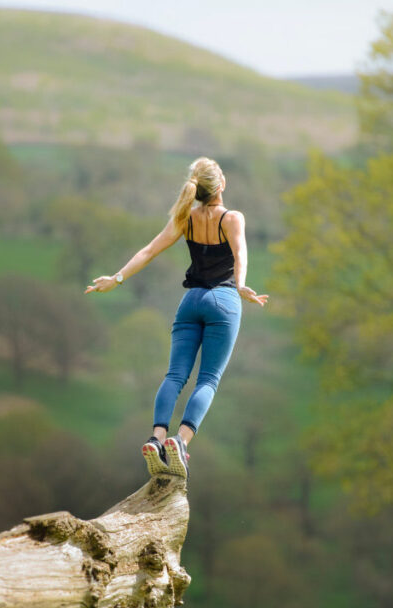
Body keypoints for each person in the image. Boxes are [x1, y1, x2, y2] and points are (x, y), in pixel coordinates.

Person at [85, 157, 268, 479]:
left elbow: (148, 251)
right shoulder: (232, 218)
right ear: (221, 185)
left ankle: (156, 439)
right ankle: (180, 443)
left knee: (174, 376)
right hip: (222, 301)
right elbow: (240, 253)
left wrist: (117, 279)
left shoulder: (187, 218)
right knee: (208, 379)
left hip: (190, 302)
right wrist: (239, 285)